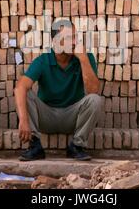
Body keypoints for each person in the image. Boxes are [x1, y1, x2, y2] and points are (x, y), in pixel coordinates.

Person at [14, 19, 102, 161]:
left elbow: (94, 91)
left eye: (75, 37)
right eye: (68, 38)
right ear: (55, 42)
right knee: (26, 93)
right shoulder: (43, 60)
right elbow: (19, 88)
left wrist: (84, 60)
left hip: (72, 117)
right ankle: (35, 146)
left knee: (95, 100)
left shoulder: (85, 58)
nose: (74, 42)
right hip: (46, 117)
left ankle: (77, 146)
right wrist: (23, 120)